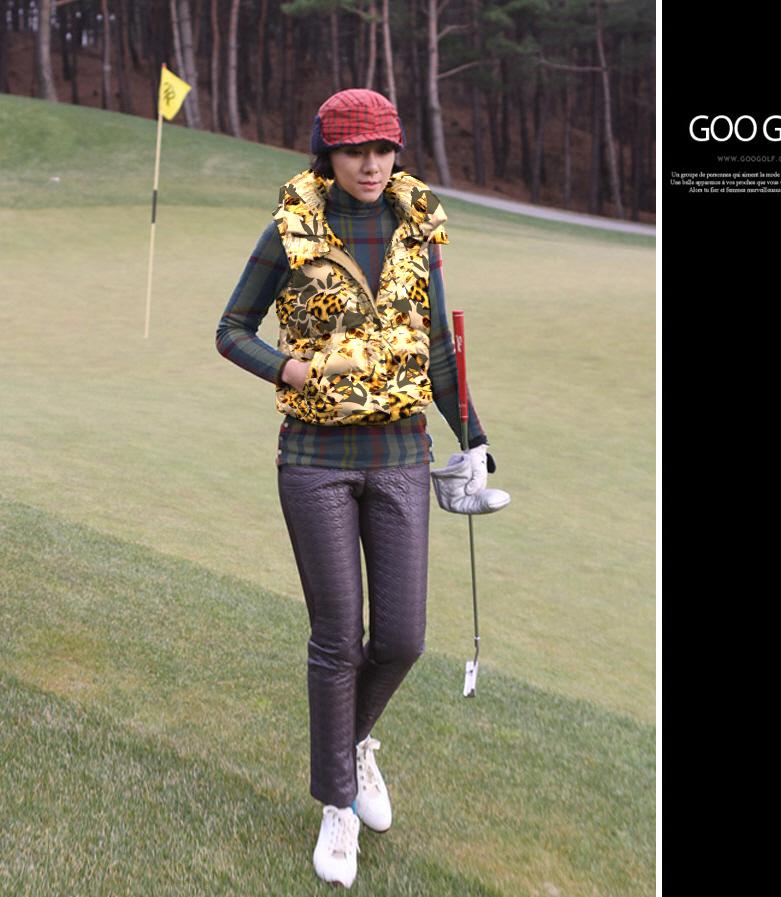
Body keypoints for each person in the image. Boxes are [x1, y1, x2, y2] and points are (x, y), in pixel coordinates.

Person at [215, 88, 501, 889]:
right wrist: (292, 369)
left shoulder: (417, 228)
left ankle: (351, 747)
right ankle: (337, 804)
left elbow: (439, 352)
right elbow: (231, 329)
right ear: (327, 155)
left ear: (396, 151)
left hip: (402, 452)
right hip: (314, 457)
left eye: (383, 149)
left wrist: (476, 439)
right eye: (354, 151)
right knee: (338, 638)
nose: (371, 165)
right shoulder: (292, 229)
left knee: (403, 638)